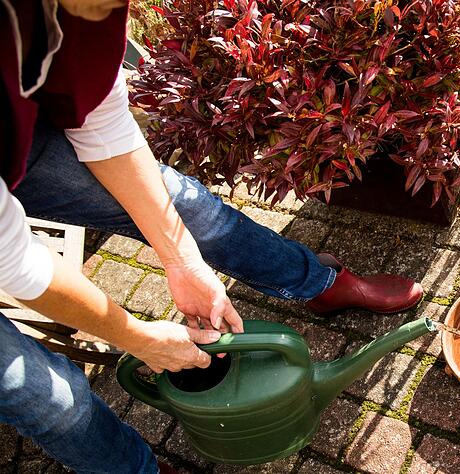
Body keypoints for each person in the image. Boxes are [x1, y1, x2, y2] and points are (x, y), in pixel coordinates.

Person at [0, 1, 423, 472]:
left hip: (19, 136)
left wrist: (182, 258)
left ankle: (319, 286)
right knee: (48, 397)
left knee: (189, 208)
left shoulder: (84, 14)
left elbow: (102, 124)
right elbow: (20, 264)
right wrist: (137, 337)